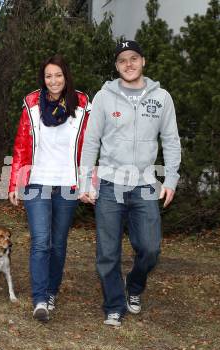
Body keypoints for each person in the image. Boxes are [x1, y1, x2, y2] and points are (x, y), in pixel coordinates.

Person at [79, 40, 181, 327]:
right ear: (116, 66)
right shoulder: (104, 97)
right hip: (110, 183)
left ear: (143, 61)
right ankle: (114, 305)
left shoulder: (161, 97)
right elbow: (91, 142)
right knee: (108, 252)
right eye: (123, 60)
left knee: (150, 248)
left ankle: (134, 287)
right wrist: (85, 180)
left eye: (134, 58)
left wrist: (170, 179)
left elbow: (171, 141)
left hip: (146, 184)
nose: (129, 64)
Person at [8, 55, 91, 322]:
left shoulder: (82, 104)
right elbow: (21, 144)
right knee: (41, 242)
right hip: (37, 182)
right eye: (48, 76)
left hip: (68, 183)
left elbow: (90, 146)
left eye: (58, 75)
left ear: (66, 76)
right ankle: (40, 299)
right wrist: (14, 182)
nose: (53, 81)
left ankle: (52, 290)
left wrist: (87, 182)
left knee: (58, 243)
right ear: (42, 79)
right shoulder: (32, 103)